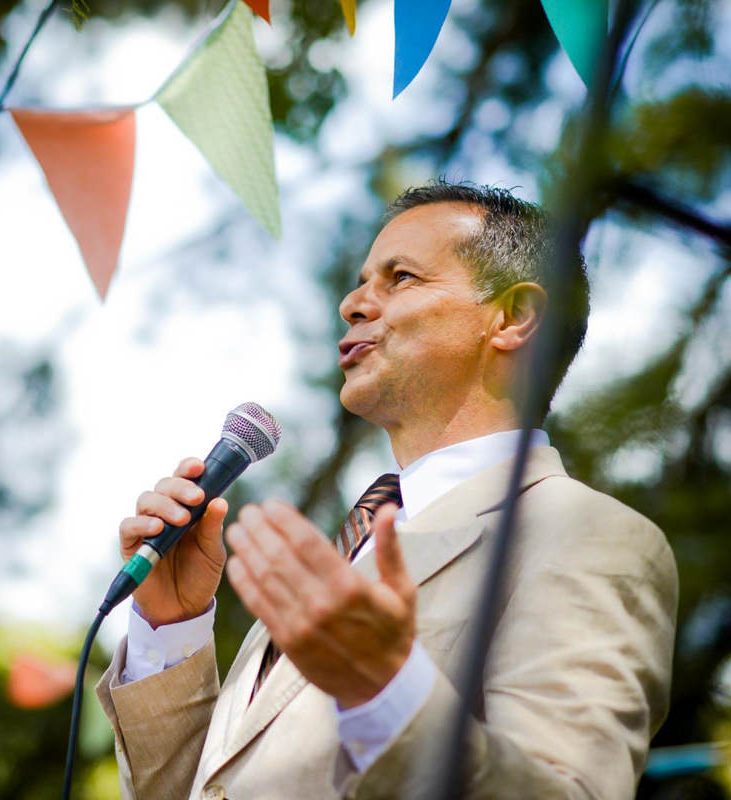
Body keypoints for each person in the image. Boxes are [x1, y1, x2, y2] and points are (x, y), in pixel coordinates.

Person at [95, 181, 678, 800]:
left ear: (512, 318)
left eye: (400, 277)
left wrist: (386, 694)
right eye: (361, 280)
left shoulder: (591, 537)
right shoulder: (352, 545)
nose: (352, 303)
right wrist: (173, 627)